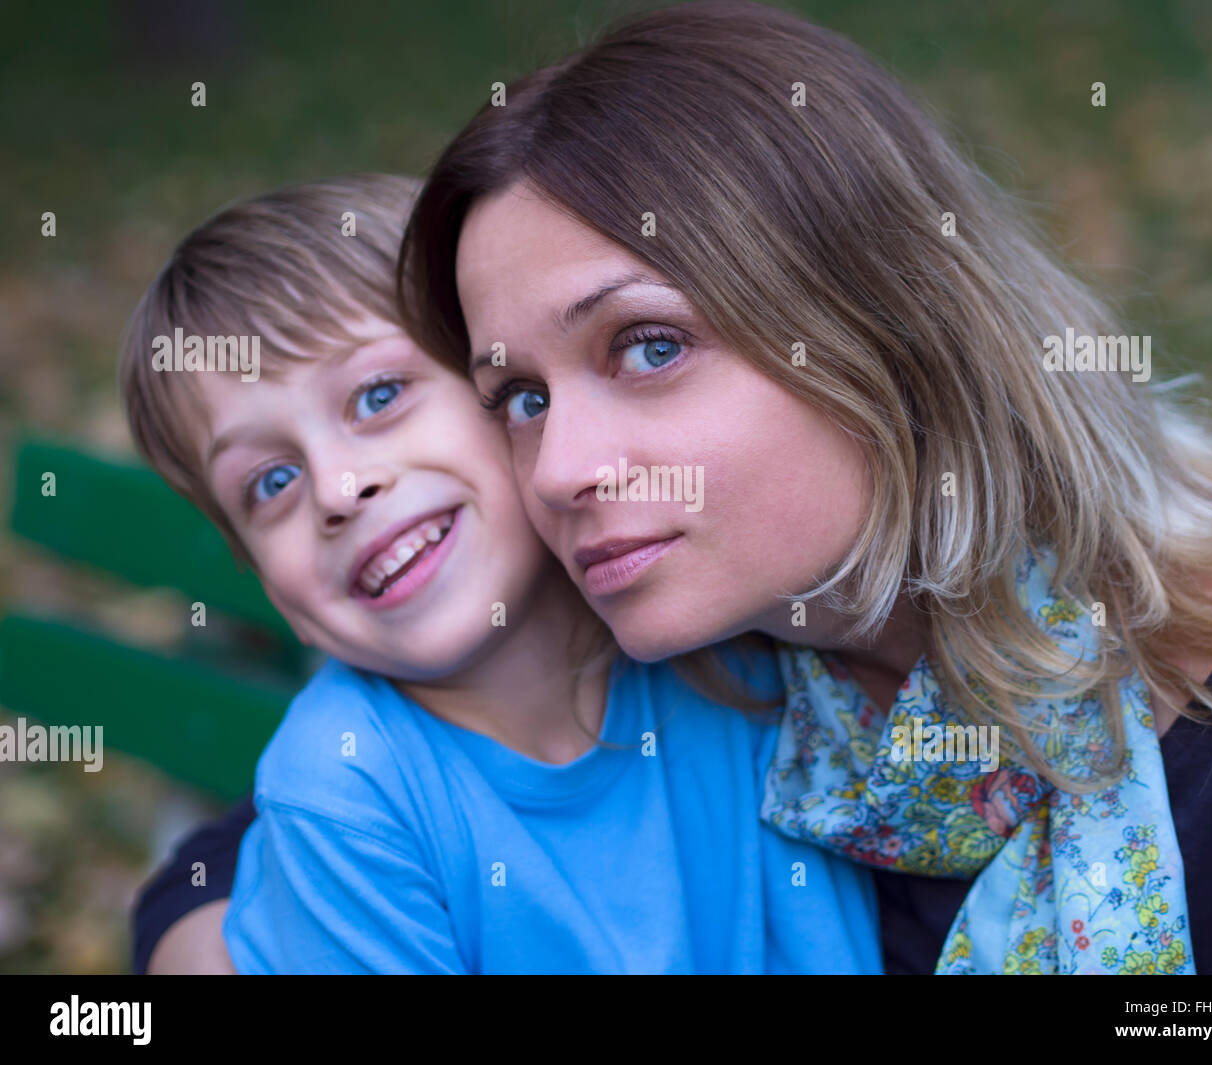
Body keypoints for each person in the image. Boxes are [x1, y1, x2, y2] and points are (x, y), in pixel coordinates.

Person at [397, 1, 1212, 973]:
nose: (565, 471)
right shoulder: (697, 693)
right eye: (520, 397)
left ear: (886, 324)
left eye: (649, 347)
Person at [120, 173, 883, 974]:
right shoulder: (346, 800)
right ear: (266, 579)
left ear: (511, 395)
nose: (341, 489)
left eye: (379, 395)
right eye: (271, 483)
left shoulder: (716, 630)